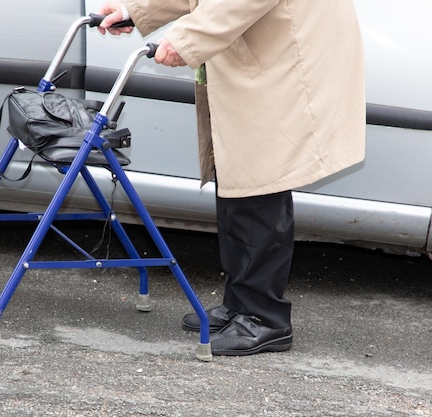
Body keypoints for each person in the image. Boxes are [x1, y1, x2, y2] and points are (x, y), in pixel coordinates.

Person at [97, 0, 366, 356]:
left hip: (284, 56)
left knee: (260, 182)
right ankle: (241, 303)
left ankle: (265, 317)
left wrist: (188, 38)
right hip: (259, 52)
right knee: (238, 177)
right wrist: (137, 10)